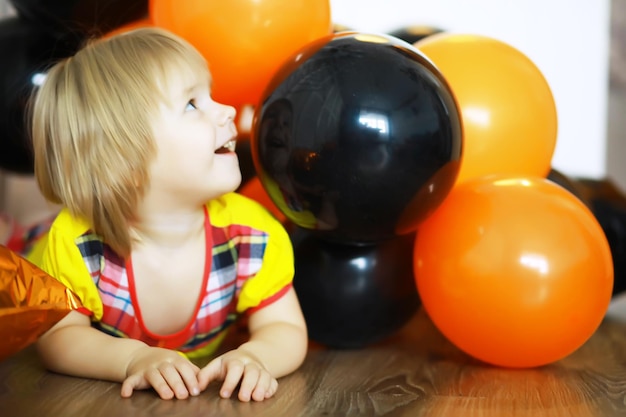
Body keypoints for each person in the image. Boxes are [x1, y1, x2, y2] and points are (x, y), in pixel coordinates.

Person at [28, 27, 308, 402]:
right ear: (123, 162)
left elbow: (284, 327)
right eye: (192, 104)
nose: (226, 110)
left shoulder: (251, 235)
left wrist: (254, 356)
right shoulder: (80, 244)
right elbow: (58, 337)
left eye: (210, 95)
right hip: (39, 259)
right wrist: (133, 359)